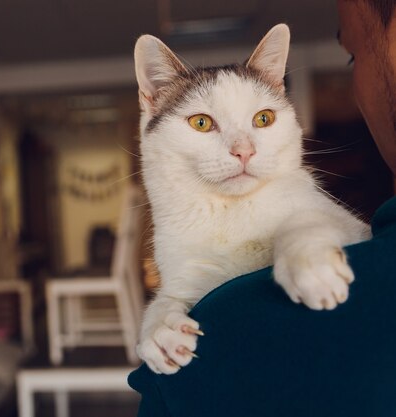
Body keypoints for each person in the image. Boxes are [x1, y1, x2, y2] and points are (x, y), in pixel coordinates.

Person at [128, 1, 396, 416]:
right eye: (203, 123)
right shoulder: (175, 238)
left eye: (264, 117)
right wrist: (162, 316)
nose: (243, 149)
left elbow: (332, 228)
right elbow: (185, 297)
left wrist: (301, 244)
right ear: (153, 103)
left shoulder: (304, 208)